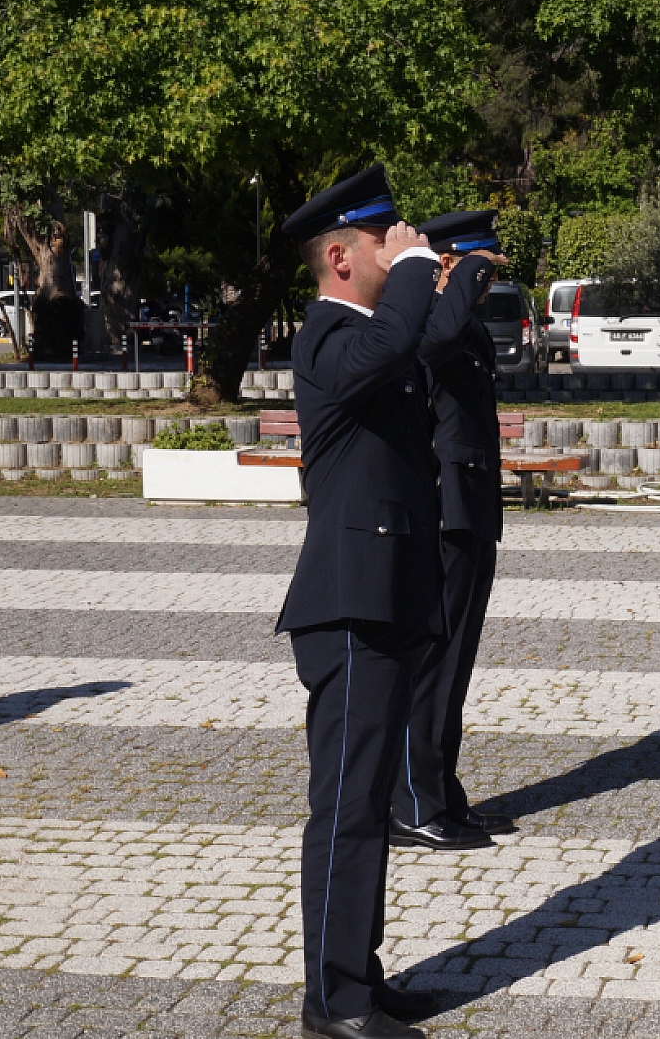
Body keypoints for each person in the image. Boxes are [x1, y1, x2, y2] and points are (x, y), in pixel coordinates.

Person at [276, 165, 483, 1039]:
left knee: (362, 805)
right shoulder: (326, 335)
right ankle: (334, 1001)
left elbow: (423, 339)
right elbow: (394, 343)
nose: (401, 251)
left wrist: (445, 274)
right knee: (351, 808)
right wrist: (413, 273)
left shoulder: (373, 335)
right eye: (382, 241)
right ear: (339, 255)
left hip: (387, 596)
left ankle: (359, 973)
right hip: (350, 605)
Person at [388, 210, 516, 852]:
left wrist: (465, 280)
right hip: (441, 511)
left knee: (455, 663)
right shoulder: (424, 320)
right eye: (479, 272)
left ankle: (440, 791)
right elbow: (430, 346)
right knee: (433, 662)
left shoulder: (462, 322)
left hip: (471, 507)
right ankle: (413, 803)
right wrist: (461, 275)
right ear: (448, 268)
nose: (486, 286)